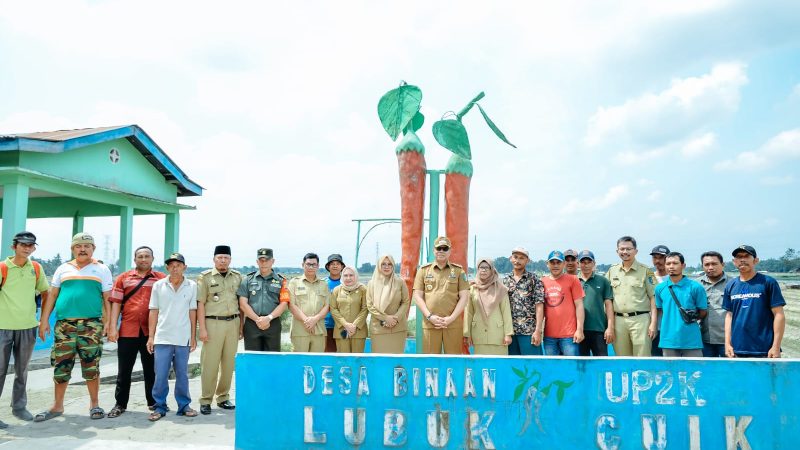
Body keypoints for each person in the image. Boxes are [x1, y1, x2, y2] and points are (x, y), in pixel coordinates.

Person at [35, 232, 112, 422]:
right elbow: (52, 296)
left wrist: (110, 323)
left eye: (87, 246)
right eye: (79, 246)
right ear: (73, 249)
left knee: (91, 365)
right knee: (61, 366)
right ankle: (57, 406)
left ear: (93, 249)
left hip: (91, 325)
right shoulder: (63, 269)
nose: (83, 249)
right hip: (64, 326)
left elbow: (108, 299)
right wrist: (44, 320)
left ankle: (94, 404)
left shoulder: (101, 269)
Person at [106, 246, 165, 418]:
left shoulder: (161, 279)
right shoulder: (123, 278)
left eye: (147, 256)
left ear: (153, 259)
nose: (144, 259)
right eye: (140, 256)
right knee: (124, 370)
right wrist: (112, 326)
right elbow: (116, 303)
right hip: (127, 330)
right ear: (135, 259)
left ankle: (154, 402)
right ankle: (120, 404)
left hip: (151, 332)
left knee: (151, 369)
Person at [0, 231, 49, 427]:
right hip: (2, 327)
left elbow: (46, 293)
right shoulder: (3, 268)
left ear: (34, 248)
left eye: (30, 245)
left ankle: (19, 407)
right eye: (23, 244)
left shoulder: (35, 268)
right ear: (14, 246)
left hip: (28, 327)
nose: (27, 248)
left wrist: (43, 320)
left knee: (22, 370)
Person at [146, 252, 198, 421]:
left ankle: (184, 405)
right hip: (162, 337)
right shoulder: (158, 286)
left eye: (178, 265)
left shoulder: (191, 286)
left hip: (183, 338)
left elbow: (192, 312)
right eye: (172, 266)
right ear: (167, 267)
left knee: (182, 374)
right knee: (160, 374)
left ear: (184, 267)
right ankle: (159, 406)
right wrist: (151, 336)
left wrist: (193, 337)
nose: (175, 268)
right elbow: (153, 311)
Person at [196, 245, 242, 415]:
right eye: (220, 257)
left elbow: (241, 302)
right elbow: (200, 303)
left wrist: (241, 326)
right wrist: (202, 329)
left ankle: (223, 397)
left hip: (233, 323)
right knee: (210, 363)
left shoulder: (237, 277)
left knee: (229, 364)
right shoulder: (205, 277)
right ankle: (206, 399)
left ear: (230, 259)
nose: (223, 260)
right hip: (212, 323)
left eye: (226, 258)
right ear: (214, 259)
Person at [723, 245, 786, 358]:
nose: (742, 259)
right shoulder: (731, 285)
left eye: (747, 256)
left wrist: (776, 346)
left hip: (764, 349)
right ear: (734, 261)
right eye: (738, 257)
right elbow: (729, 316)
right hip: (737, 349)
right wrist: (727, 344)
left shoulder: (768, 282)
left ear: (755, 260)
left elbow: (779, 314)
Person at [412, 236, 469, 354]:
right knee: (430, 362)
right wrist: (429, 316)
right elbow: (417, 296)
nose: (441, 251)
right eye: (439, 248)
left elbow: (464, 297)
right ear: (434, 250)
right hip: (430, 323)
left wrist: (451, 318)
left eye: (445, 248)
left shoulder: (459, 271)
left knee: (454, 361)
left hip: (452, 324)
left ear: (450, 251)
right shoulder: (423, 271)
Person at [606, 236, 657, 357]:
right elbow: (607, 298)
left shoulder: (646, 271)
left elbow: (653, 298)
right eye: (622, 249)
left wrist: (653, 323)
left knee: (642, 357)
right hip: (618, 321)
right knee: (622, 358)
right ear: (617, 251)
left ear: (636, 251)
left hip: (641, 320)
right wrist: (610, 326)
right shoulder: (612, 271)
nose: (625, 252)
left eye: (628, 249)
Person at [654, 252, 707, 357]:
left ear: (683, 265)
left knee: (695, 372)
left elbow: (703, 312)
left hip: (691, 340)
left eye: (675, 263)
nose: (671, 266)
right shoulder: (660, 288)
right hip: (668, 340)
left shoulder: (695, 287)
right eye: (668, 264)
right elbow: (660, 310)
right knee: (670, 372)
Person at [238, 248, 288, 352]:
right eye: (261, 260)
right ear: (257, 262)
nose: (264, 263)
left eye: (267, 260)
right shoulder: (247, 280)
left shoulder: (281, 281)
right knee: (253, 359)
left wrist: (268, 318)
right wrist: (258, 320)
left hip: (273, 323)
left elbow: (284, 304)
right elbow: (243, 304)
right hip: (252, 324)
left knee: (272, 360)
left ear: (272, 261)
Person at [464, 258, 513, 355]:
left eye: (487, 267)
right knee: (481, 367)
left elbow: (506, 312)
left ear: (492, 270)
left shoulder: (501, 289)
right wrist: (467, 334)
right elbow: (468, 312)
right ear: (477, 270)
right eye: (481, 267)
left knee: (499, 366)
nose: (483, 270)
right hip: (478, 334)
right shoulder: (473, 289)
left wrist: (508, 334)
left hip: (498, 336)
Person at [502, 247, 544, 355]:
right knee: (513, 367)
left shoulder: (534, 279)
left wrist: (538, 331)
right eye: (515, 257)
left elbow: (539, 306)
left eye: (521, 258)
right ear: (510, 258)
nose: (517, 260)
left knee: (532, 367)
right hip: (510, 332)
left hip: (529, 331)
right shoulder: (505, 280)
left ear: (527, 261)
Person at [541, 251, 585, 356]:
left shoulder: (573, 280)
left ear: (564, 264)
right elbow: (540, 308)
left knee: (572, 368)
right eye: (552, 262)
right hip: (549, 336)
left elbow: (579, 306)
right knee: (552, 369)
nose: (555, 265)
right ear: (547, 264)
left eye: (558, 262)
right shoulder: (542, 282)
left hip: (569, 336)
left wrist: (579, 330)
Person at [366, 255, 410, 354]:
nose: (387, 267)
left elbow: (405, 302)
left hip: (398, 328)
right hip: (378, 328)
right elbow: (370, 305)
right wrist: (385, 318)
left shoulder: (400, 282)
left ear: (393, 266)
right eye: (383, 264)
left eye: (389, 264)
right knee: (379, 361)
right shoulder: (371, 284)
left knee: (397, 363)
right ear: (378, 266)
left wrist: (395, 319)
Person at [288, 253, 330, 352]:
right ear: (303, 265)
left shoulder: (324, 284)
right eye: (308, 264)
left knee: (317, 362)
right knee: (299, 362)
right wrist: (307, 321)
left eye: (314, 264)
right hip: (300, 330)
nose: (311, 267)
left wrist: (315, 319)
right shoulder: (294, 282)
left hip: (319, 330)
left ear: (318, 266)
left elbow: (327, 306)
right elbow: (292, 305)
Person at [577, 250, 614, 356]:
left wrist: (610, 327)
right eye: (583, 262)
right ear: (578, 264)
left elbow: (608, 305)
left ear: (594, 264)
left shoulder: (603, 281)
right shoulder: (574, 281)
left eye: (589, 262)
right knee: (582, 365)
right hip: (579, 330)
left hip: (598, 329)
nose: (586, 265)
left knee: (602, 363)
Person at [330, 266, 368, 353]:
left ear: (356, 276)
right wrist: (345, 324)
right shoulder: (337, 290)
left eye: (351, 275)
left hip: (358, 331)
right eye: (345, 275)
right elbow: (333, 309)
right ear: (342, 277)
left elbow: (365, 309)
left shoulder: (363, 289)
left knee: (357, 360)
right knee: (343, 360)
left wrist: (354, 325)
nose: (348, 278)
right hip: (341, 331)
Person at [699, 251, 728, 357]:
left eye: (714, 264)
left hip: (727, 339)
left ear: (723, 264)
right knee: (705, 371)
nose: (710, 267)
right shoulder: (695, 285)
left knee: (729, 370)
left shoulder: (733, 284)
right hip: (703, 339)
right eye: (707, 264)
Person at [649, 244, 670, 356]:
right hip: (653, 328)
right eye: (655, 258)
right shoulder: (649, 278)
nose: (658, 261)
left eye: (661, 257)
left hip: (670, 328)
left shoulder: (675, 278)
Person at [323, 254, 344, 353]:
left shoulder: (346, 283)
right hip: (326, 325)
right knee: (328, 354)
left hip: (342, 325)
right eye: (332, 264)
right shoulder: (323, 283)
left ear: (342, 266)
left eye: (338, 264)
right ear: (328, 267)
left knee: (343, 355)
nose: (335, 266)